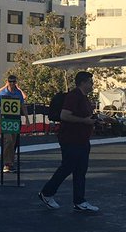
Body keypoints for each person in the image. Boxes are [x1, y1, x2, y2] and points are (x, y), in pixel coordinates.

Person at [38, 71, 99, 212]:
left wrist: (94, 119)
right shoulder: (74, 96)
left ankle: (79, 200)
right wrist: (85, 121)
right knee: (67, 167)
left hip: (82, 140)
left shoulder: (84, 98)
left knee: (80, 170)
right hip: (71, 139)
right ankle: (47, 193)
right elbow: (64, 115)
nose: (92, 85)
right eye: (90, 82)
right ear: (83, 82)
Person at [0, 74, 27, 173]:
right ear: (7, 82)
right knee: (8, 140)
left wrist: (27, 118)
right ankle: (6, 162)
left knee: (13, 141)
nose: (12, 83)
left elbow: (22, 105)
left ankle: (10, 163)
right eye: (10, 81)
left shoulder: (18, 93)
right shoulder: (2, 93)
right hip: (4, 118)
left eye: (14, 81)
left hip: (15, 118)